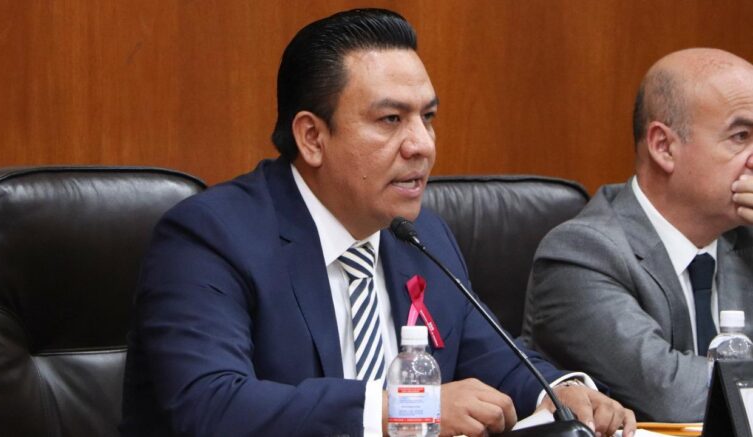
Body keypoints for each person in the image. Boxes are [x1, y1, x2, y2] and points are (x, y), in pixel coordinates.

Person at [120, 8, 634, 436]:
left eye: (427, 117)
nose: (422, 145)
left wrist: (562, 391)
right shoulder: (210, 238)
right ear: (312, 138)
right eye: (391, 120)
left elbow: (496, 360)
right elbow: (211, 405)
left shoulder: (422, 236)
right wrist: (402, 408)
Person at [522, 48, 753, 422]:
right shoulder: (581, 255)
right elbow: (673, 398)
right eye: (741, 136)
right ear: (664, 147)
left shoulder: (744, 238)